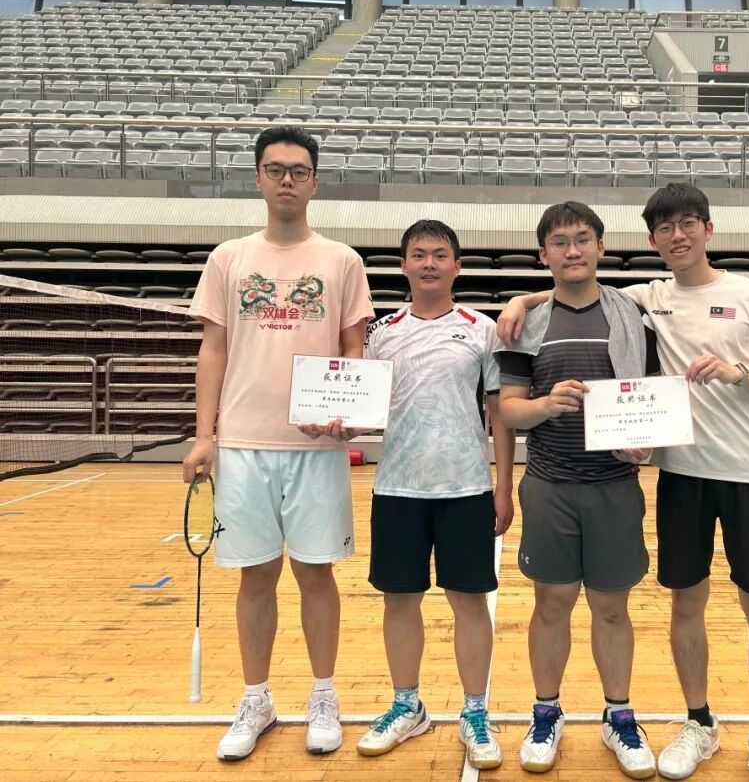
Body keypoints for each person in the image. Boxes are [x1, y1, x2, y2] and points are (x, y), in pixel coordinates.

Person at [497, 183, 749, 782]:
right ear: (652, 240)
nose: (677, 236)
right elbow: (562, 290)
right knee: (683, 603)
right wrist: (519, 301)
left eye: (688, 224)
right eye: (665, 228)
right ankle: (697, 723)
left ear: (707, 230)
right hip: (678, 475)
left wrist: (738, 373)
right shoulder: (645, 300)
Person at [184, 125, 374, 762]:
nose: (287, 179)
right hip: (243, 444)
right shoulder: (228, 258)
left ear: (314, 182)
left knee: (316, 574)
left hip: (316, 448)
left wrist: (348, 413)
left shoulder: (342, 261)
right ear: (258, 179)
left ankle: (324, 695)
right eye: (275, 169)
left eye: (298, 170)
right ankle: (256, 698)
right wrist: (204, 436)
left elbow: (353, 349)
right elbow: (213, 349)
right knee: (255, 576)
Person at [496, 202, 660, 780]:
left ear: (600, 247)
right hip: (550, 486)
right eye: (561, 242)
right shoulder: (525, 324)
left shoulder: (633, 316)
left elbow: (651, 398)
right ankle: (546, 713)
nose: (573, 250)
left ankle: (619, 716)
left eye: (583, 239)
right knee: (551, 604)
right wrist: (545, 404)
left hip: (615, 486)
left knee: (612, 608)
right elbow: (508, 410)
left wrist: (645, 441)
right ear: (544, 253)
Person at [355, 220, 515, 771]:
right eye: (419, 254)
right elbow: (360, 401)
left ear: (457, 266)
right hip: (397, 486)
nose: (429, 263)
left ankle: (475, 711)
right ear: (403, 265)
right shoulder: (381, 332)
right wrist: (332, 420)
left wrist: (503, 485)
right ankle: (408, 705)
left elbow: (499, 413)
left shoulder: (482, 329)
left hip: (465, 486)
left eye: (439, 255)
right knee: (399, 600)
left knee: (469, 602)